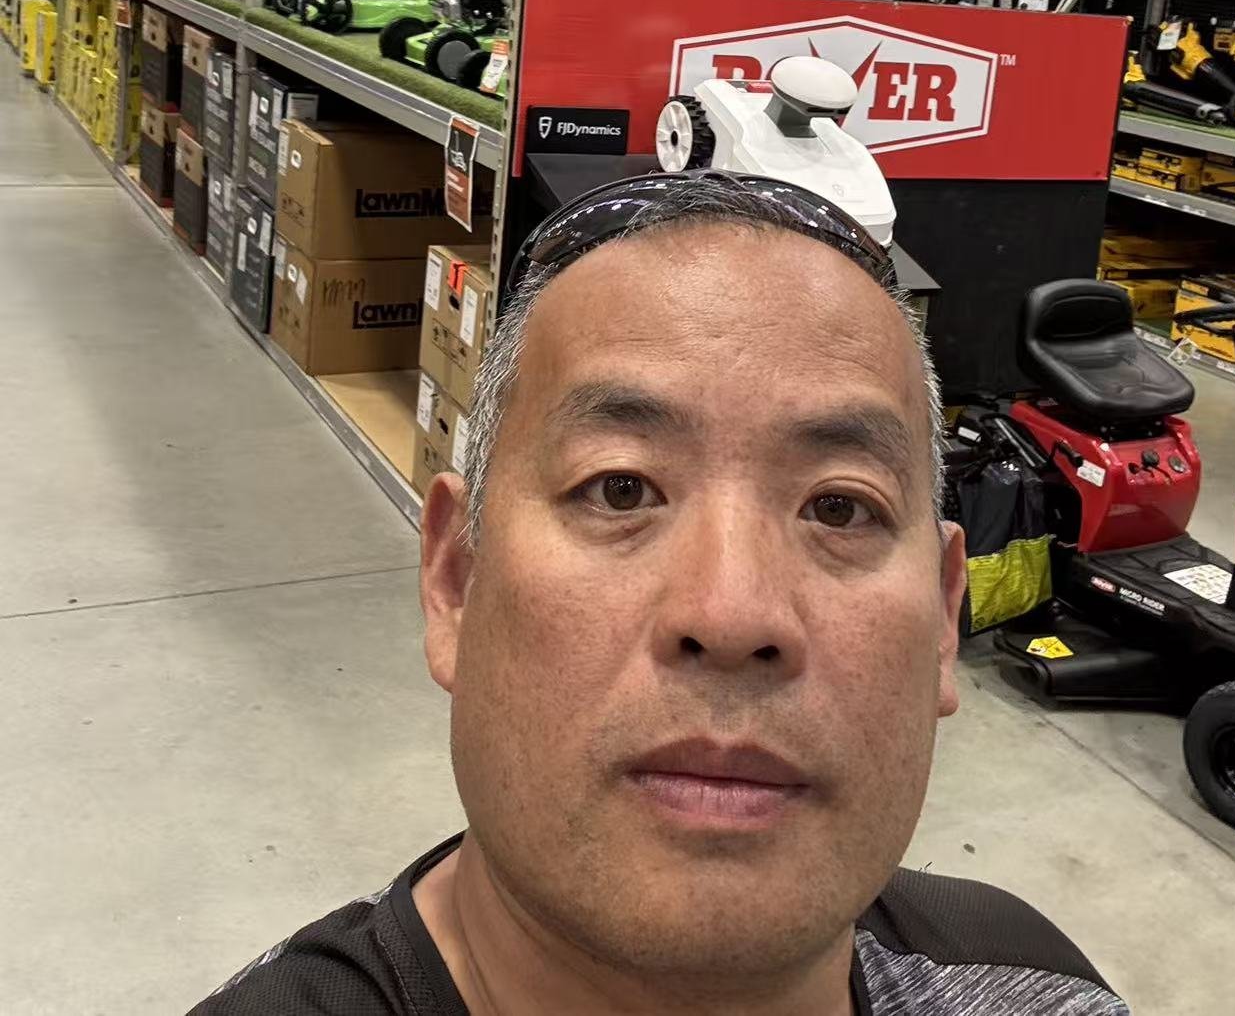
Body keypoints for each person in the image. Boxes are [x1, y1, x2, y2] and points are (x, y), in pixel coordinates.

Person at [191, 172, 1127, 1016]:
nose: (732, 614)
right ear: (456, 582)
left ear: (941, 620)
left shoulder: (1038, 987)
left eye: (839, 506)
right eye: (620, 488)